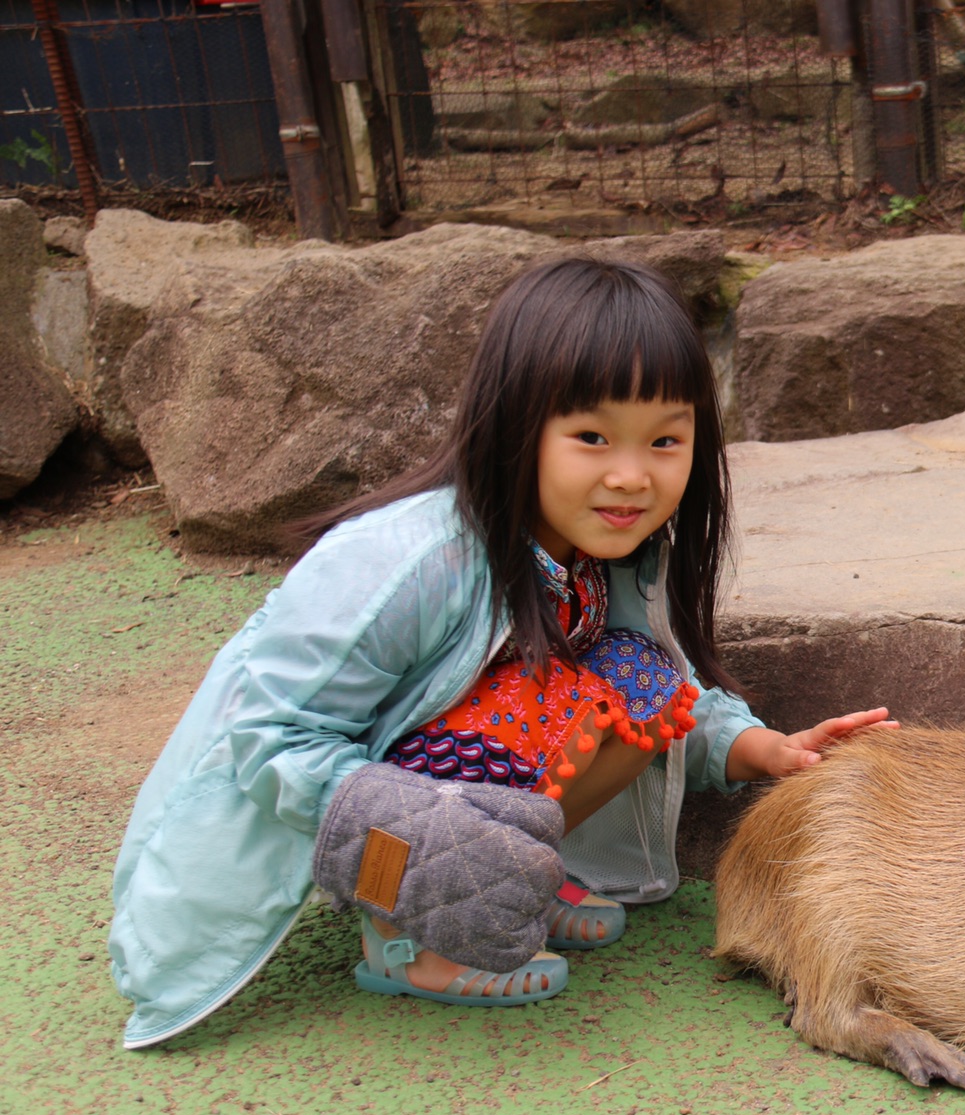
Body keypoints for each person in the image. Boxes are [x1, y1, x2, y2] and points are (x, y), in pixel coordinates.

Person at [107, 255, 893, 1049]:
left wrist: (762, 749)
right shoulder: (409, 560)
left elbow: (673, 682)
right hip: (323, 811)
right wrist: (436, 837)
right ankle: (412, 935)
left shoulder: (601, 549)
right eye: (591, 436)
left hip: (441, 788)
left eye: (664, 440)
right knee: (524, 728)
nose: (630, 475)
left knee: (639, 681)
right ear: (519, 423)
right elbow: (267, 737)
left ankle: (505, 880)